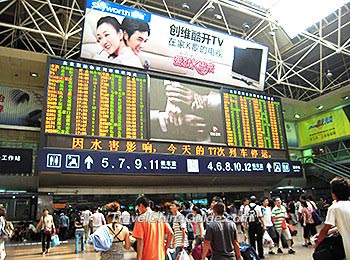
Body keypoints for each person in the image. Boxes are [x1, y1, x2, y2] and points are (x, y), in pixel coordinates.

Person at [315, 177, 350, 259]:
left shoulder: (334, 207)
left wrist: (318, 241)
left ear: (334, 193)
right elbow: (344, 224)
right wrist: (331, 231)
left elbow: (325, 229)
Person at [132, 196, 173, 260]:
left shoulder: (141, 219)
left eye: (138, 208)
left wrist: (139, 258)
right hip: (160, 256)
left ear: (140, 205)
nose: (138, 210)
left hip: (147, 256)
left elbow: (140, 241)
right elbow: (171, 233)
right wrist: (165, 248)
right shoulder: (160, 217)